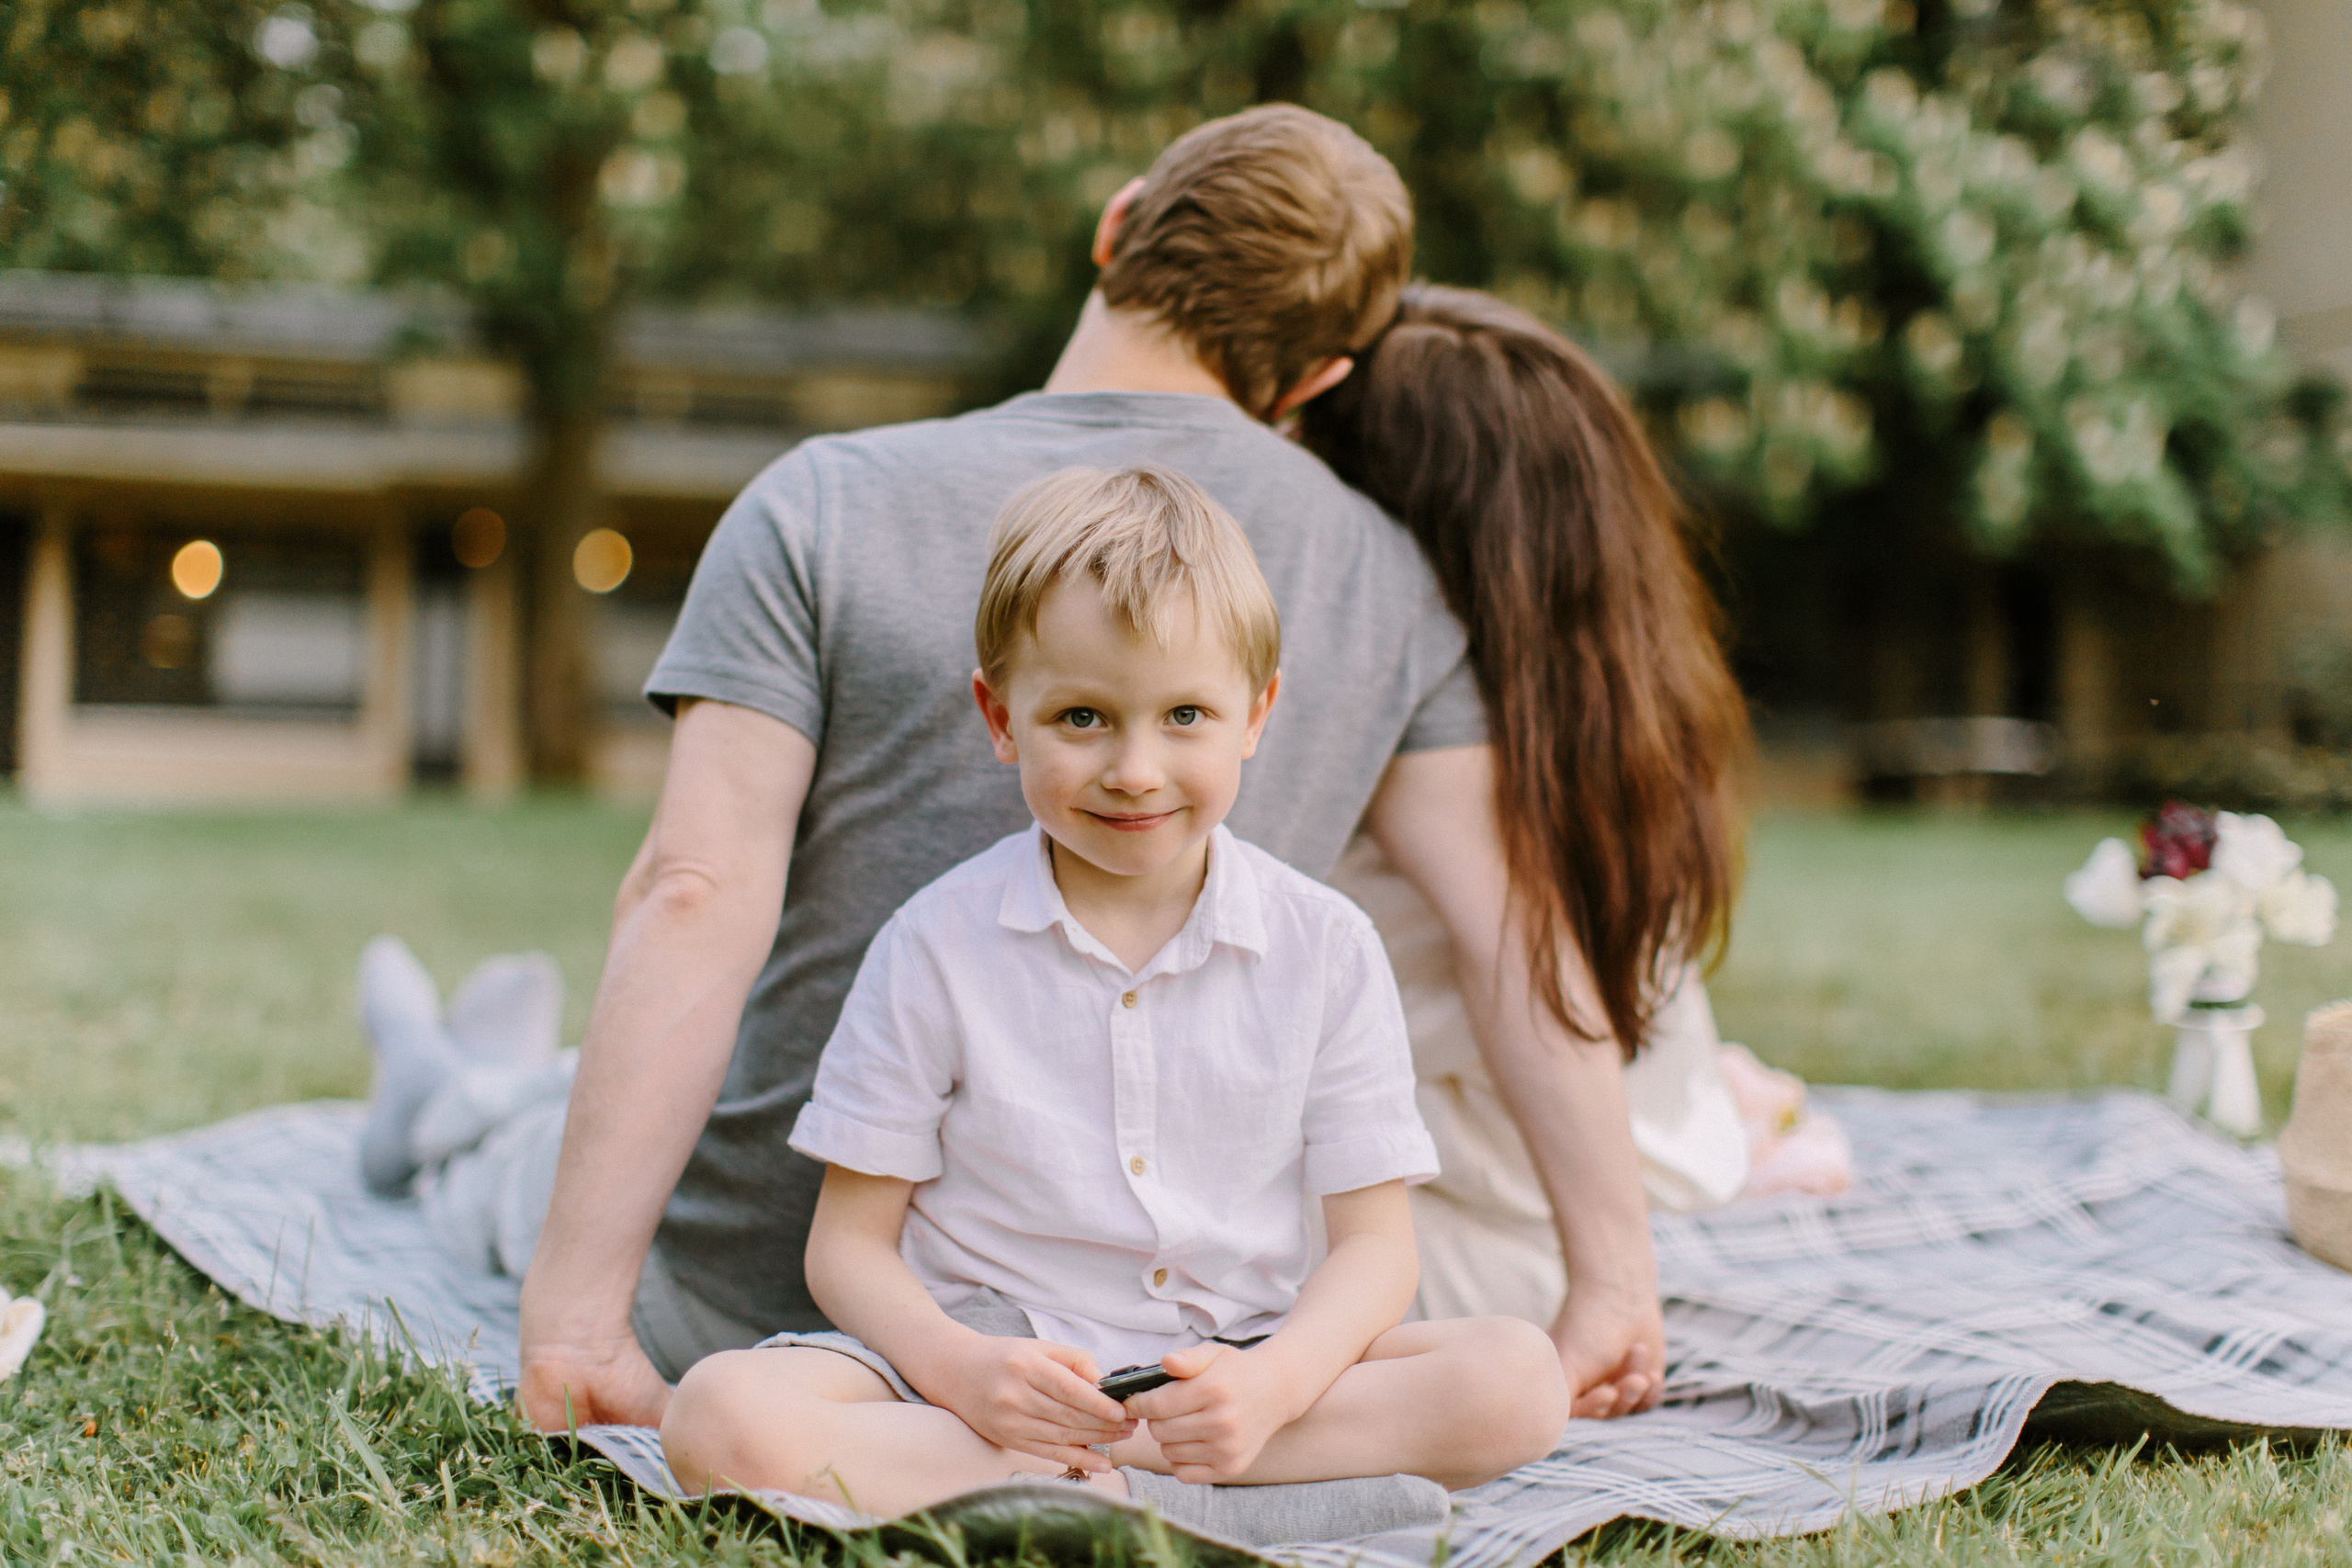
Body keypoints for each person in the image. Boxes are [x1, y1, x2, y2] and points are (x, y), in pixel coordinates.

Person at [362, 103, 1665, 1438]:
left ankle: (454, 1090)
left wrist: (582, 1321)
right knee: (506, 1119)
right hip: (1023, 1320)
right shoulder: (1390, 578)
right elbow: (1516, 933)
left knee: (517, 1148)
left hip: (742, 1289)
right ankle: (448, 1083)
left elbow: (691, 889)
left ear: (1115, 226)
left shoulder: (821, 499)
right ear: (1318, 377)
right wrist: (1615, 1280)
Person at [656, 467, 1567, 1540]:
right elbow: (847, 1249)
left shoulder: (1325, 947)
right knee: (719, 1416)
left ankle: (1097, 1493)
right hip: (988, 1373)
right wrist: (961, 1370)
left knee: (1518, 1379)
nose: (1136, 769)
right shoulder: (935, 944)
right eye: (1082, 717)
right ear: (1001, 717)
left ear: (1255, 714)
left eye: (1184, 715)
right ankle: (1209, 1503)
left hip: (1231, 1365)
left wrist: (1274, 1386)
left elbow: (1377, 1251)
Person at [1296, 287, 1843, 1337]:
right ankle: (1723, 1130)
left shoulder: (1404, 737)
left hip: (1496, 1195)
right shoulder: (1623, 695)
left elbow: (1517, 969)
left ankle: (1724, 1133)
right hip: (1592, 1142)